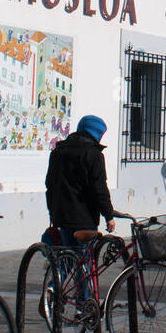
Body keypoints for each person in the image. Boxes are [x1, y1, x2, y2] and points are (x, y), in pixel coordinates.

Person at [44, 115, 115, 308]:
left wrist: (52, 211)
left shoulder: (58, 151)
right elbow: (99, 189)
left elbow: (50, 185)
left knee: (67, 257)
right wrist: (109, 215)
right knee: (83, 263)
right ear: (96, 132)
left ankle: (53, 288)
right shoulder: (93, 154)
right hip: (84, 219)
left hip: (62, 216)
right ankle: (82, 305)